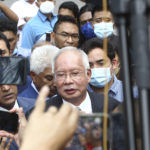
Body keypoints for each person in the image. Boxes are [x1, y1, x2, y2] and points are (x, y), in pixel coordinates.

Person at [45, 46, 120, 113]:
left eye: (75, 73)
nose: (68, 81)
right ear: (54, 78)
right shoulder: (43, 112)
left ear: (88, 74)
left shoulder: (110, 106)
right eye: (61, 75)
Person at [81, 37, 123, 102]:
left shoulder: (128, 92)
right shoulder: (78, 93)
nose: (95, 68)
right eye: (90, 65)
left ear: (114, 64)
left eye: (101, 63)